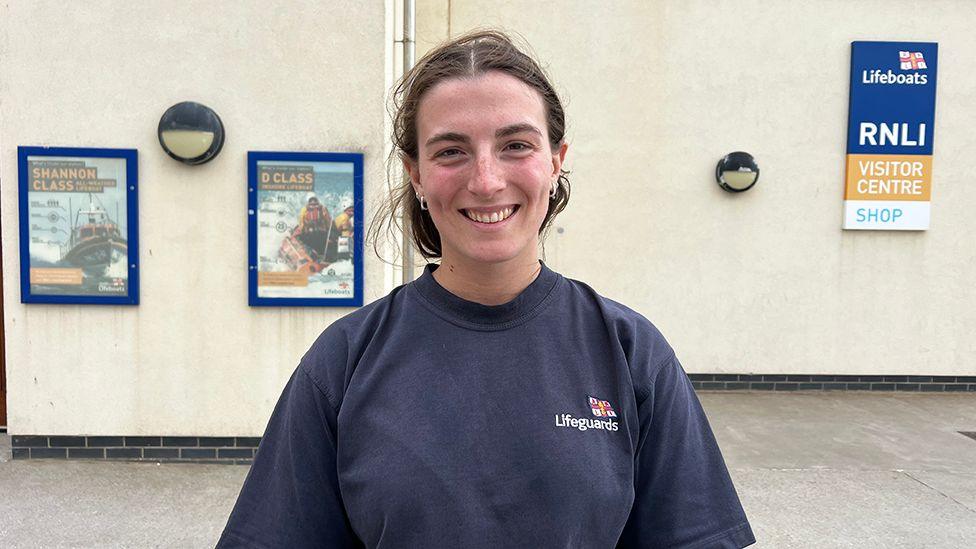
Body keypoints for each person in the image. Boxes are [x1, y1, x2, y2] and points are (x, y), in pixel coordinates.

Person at [218, 30, 755, 548]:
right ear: (417, 175)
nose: (486, 180)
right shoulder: (344, 361)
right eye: (451, 151)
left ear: (555, 162)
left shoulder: (630, 351)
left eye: (516, 145)